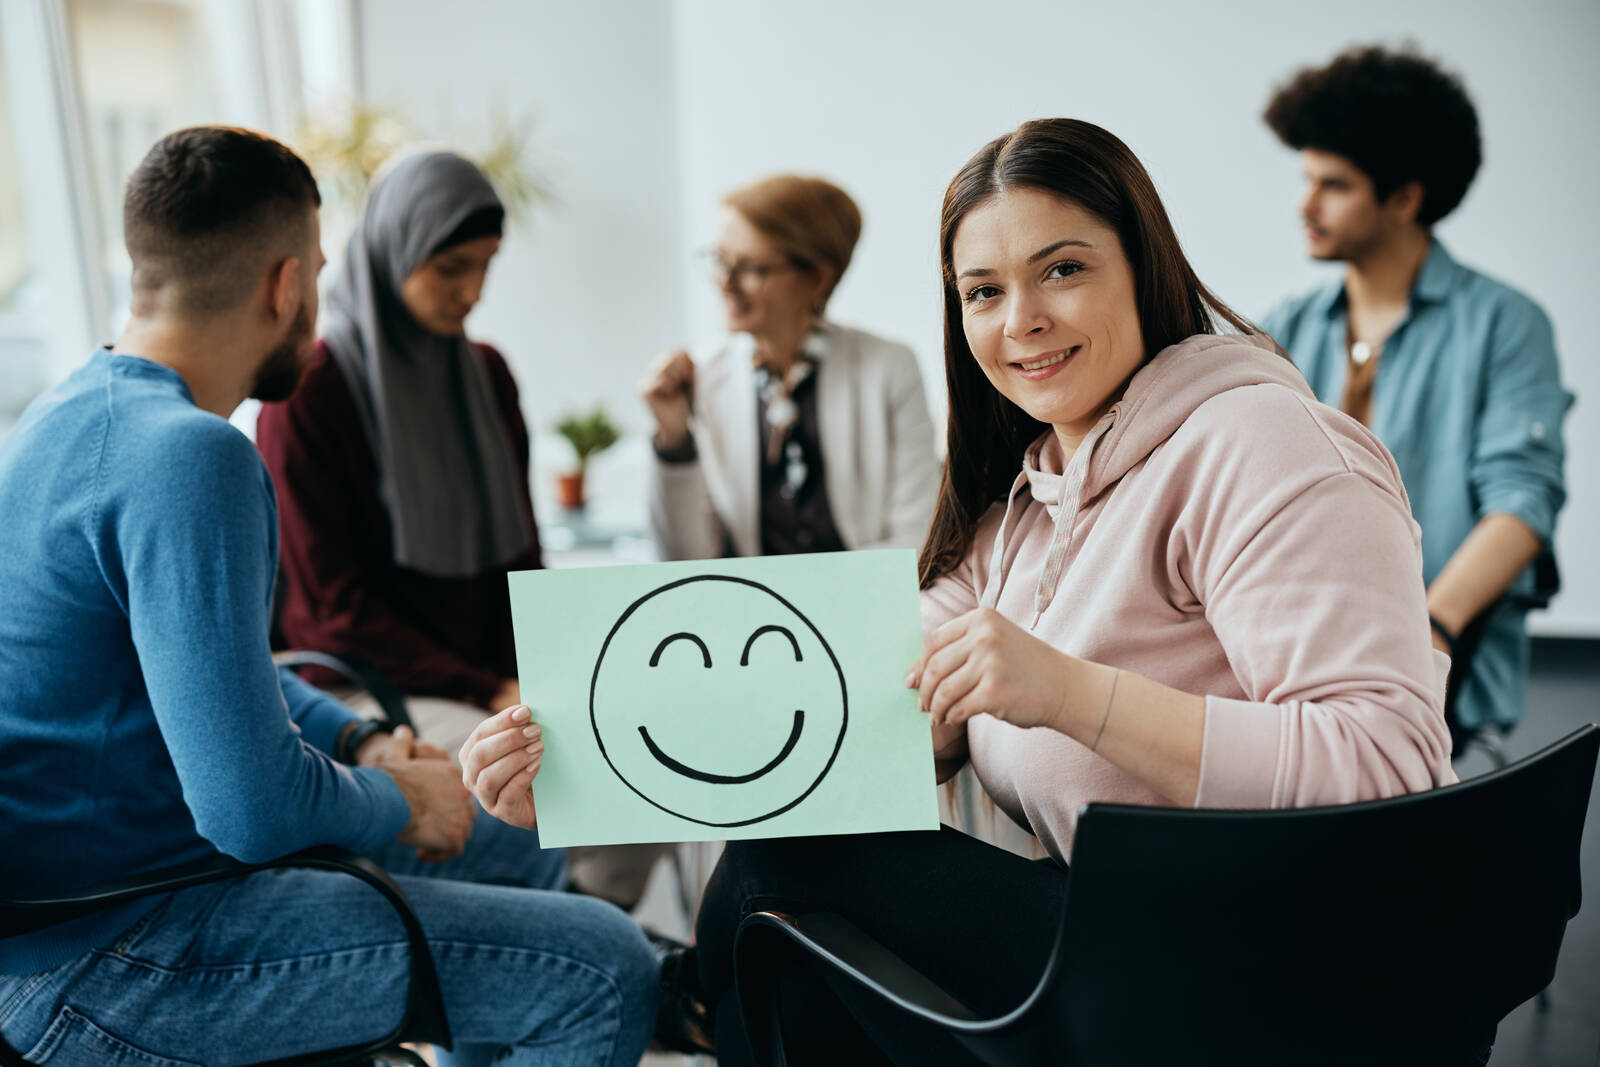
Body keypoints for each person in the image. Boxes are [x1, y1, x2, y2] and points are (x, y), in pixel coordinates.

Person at [464, 118, 1460, 1062]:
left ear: (1143, 265)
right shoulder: (1027, 505)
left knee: (790, 870)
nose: (1021, 320)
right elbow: (838, 708)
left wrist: (1069, 692)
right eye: (982, 291)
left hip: (1281, 971)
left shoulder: (1263, 443)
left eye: (1062, 269)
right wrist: (578, 768)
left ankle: (679, 997)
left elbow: (1386, 770)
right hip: (1138, 936)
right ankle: (694, 999)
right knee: (797, 954)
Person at [0, 127, 656, 1065]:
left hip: (75, 919)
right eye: (316, 268)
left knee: (513, 842)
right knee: (604, 966)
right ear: (286, 284)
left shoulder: (63, 416)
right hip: (120, 952)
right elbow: (253, 812)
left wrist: (358, 740)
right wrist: (399, 798)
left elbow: (220, 669)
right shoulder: (193, 456)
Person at [1260, 45, 1573, 748]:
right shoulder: (1283, 328)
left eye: (1334, 185)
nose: (1306, 204)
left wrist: (1426, 635)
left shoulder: (1505, 324)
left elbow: (1521, 502)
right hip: (1293, 683)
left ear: (1404, 198)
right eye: (1307, 179)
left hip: (1447, 692)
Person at [256, 149, 533, 760]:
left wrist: (539, 675)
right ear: (393, 252)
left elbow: (521, 561)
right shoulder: (313, 391)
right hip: (363, 687)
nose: (473, 292)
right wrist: (485, 688)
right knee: (537, 781)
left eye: (486, 266)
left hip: (487, 684)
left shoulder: (487, 376)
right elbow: (329, 609)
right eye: (452, 268)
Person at [641, 173, 940, 561]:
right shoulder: (701, 376)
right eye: (720, 260)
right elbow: (683, 561)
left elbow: (915, 538)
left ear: (817, 278)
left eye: (750, 268)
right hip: (746, 600)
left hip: (867, 595)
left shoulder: (889, 368)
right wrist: (674, 438)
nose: (725, 283)